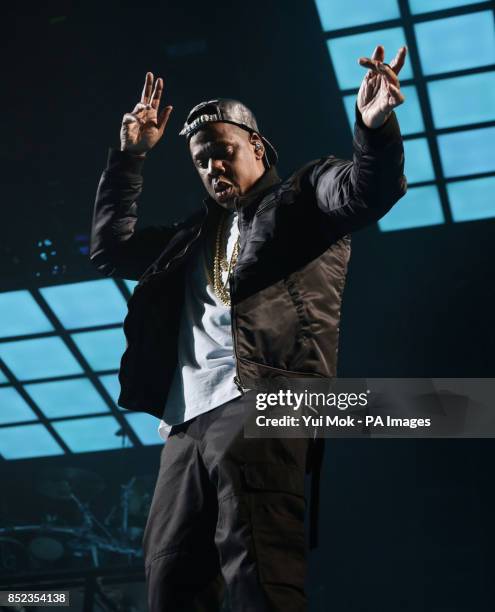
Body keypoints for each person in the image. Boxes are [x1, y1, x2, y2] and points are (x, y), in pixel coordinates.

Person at [90, 44, 407, 611]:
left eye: (222, 152)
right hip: (185, 421)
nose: (212, 167)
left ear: (256, 147)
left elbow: (366, 189)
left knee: (258, 565)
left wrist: (373, 128)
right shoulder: (189, 240)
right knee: (168, 575)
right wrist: (128, 158)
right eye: (200, 161)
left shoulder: (302, 198)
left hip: (263, 399)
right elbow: (111, 249)